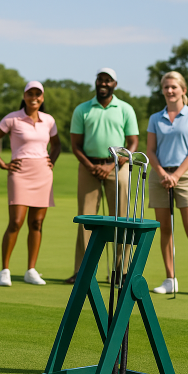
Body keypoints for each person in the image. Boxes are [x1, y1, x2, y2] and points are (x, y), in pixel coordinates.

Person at [0, 81, 61, 287]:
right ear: (24, 96)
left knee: (37, 223)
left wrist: (51, 160)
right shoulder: (12, 118)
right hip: (20, 173)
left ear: (42, 98)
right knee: (16, 222)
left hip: (43, 174)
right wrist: (2, 164)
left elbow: (57, 144)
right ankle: (5, 270)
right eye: (30, 93)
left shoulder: (49, 120)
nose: (34, 97)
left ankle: (31, 270)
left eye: (38, 94)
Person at [66, 68, 139, 285]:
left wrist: (113, 164)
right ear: (96, 82)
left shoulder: (125, 108)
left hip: (118, 167)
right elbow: (76, 145)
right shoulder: (83, 109)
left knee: (122, 218)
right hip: (89, 166)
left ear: (115, 84)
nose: (103, 83)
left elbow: (133, 141)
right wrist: (90, 165)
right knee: (85, 219)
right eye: (100, 80)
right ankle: (83, 271)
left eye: (108, 80)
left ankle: (121, 271)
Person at [147, 71, 188, 299]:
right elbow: (150, 151)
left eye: (174, 86)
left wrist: (177, 175)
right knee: (165, 229)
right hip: (160, 176)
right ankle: (170, 278)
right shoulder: (156, 118)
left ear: (183, 90)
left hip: (187, 176)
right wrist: (164, 173)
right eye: (166, 87)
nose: (170, 90)